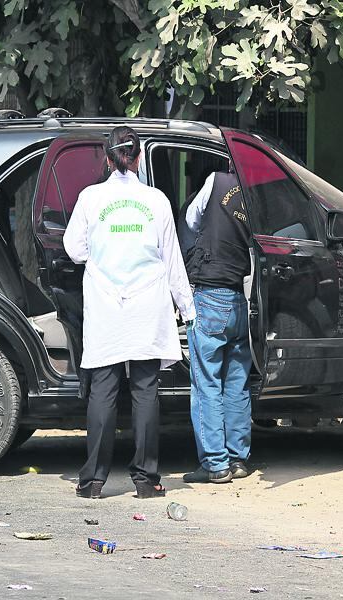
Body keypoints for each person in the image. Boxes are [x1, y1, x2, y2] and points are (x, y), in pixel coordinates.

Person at [63, 126, 195, 500]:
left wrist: (101, 261)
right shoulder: (156, 201)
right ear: (137, 158)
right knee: (144, 393)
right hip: (147, 308)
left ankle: (92, 482)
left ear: (107, 159)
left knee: (102, 392)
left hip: (106, 307)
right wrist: (187, 308)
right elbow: (172, 260)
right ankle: (147, 480)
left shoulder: (90, 198)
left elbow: (73, 248)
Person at [182, 170, 254, 484]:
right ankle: (238, 460)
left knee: (207, 384)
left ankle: (215, 464)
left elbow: (191, 218)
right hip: (243, 296)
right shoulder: (262, 191)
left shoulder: (216, 180)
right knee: (237, 384)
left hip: (211, 294)